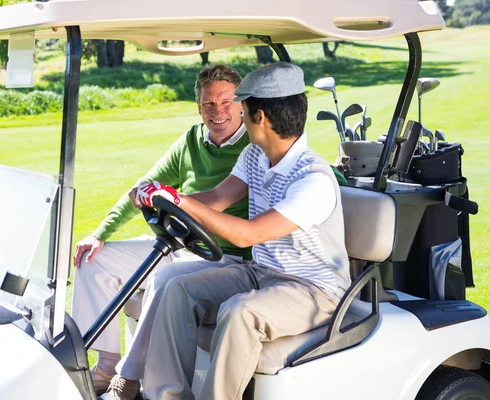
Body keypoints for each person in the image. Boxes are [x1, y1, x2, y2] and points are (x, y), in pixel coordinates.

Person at [138, 62, 351, 400]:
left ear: (259, 117)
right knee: (178, 288)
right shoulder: (256, 154)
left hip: (314, 291)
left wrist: (178, 199)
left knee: (240, 313)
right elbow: (218, 198)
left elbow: (247, 235)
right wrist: (165, 200)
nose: (235, 112)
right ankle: (165, 396)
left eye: (242, 106)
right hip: (261, 272)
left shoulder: (313, 179)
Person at [71, 64, 253, 398]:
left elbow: (220, 200)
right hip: (181, 246)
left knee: (160, 280)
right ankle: (106, 365)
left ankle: (129, 379)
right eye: (209, 104)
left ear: (241, 103)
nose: (218, 112)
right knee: (93, 259)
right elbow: (144, 187)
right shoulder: (191, 140)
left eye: (226, 102)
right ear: (198, 107)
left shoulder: (254, 147)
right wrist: (100, 233)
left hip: (225, 258)